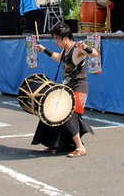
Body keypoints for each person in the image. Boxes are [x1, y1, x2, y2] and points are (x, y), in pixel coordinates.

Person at [33, 23, 98, 157]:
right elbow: (58, 58)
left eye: (57, 39)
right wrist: (44, 49)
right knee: (52, 112)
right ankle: (56, 144)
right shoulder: (66, 50)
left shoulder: (77, 49)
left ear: (65, 37)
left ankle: (80, 147)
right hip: (68, 89)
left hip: (79, 88)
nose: (56, 42)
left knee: (68, 115)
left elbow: (95, 54)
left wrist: (85, 47)